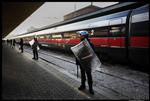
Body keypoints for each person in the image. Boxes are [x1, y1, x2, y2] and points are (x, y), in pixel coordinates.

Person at [76, 30, 95, 95]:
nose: (79, 36)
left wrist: (83, 58)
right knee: (83, 75)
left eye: (80, 35)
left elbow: (92, 54)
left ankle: (90, 88)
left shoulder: (90, 44)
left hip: (87, 63)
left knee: (89, 75)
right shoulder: (80, 44)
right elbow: (78, 54)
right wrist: (77, 60)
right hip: (81, 62)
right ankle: (83, 85)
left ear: (84, 36)